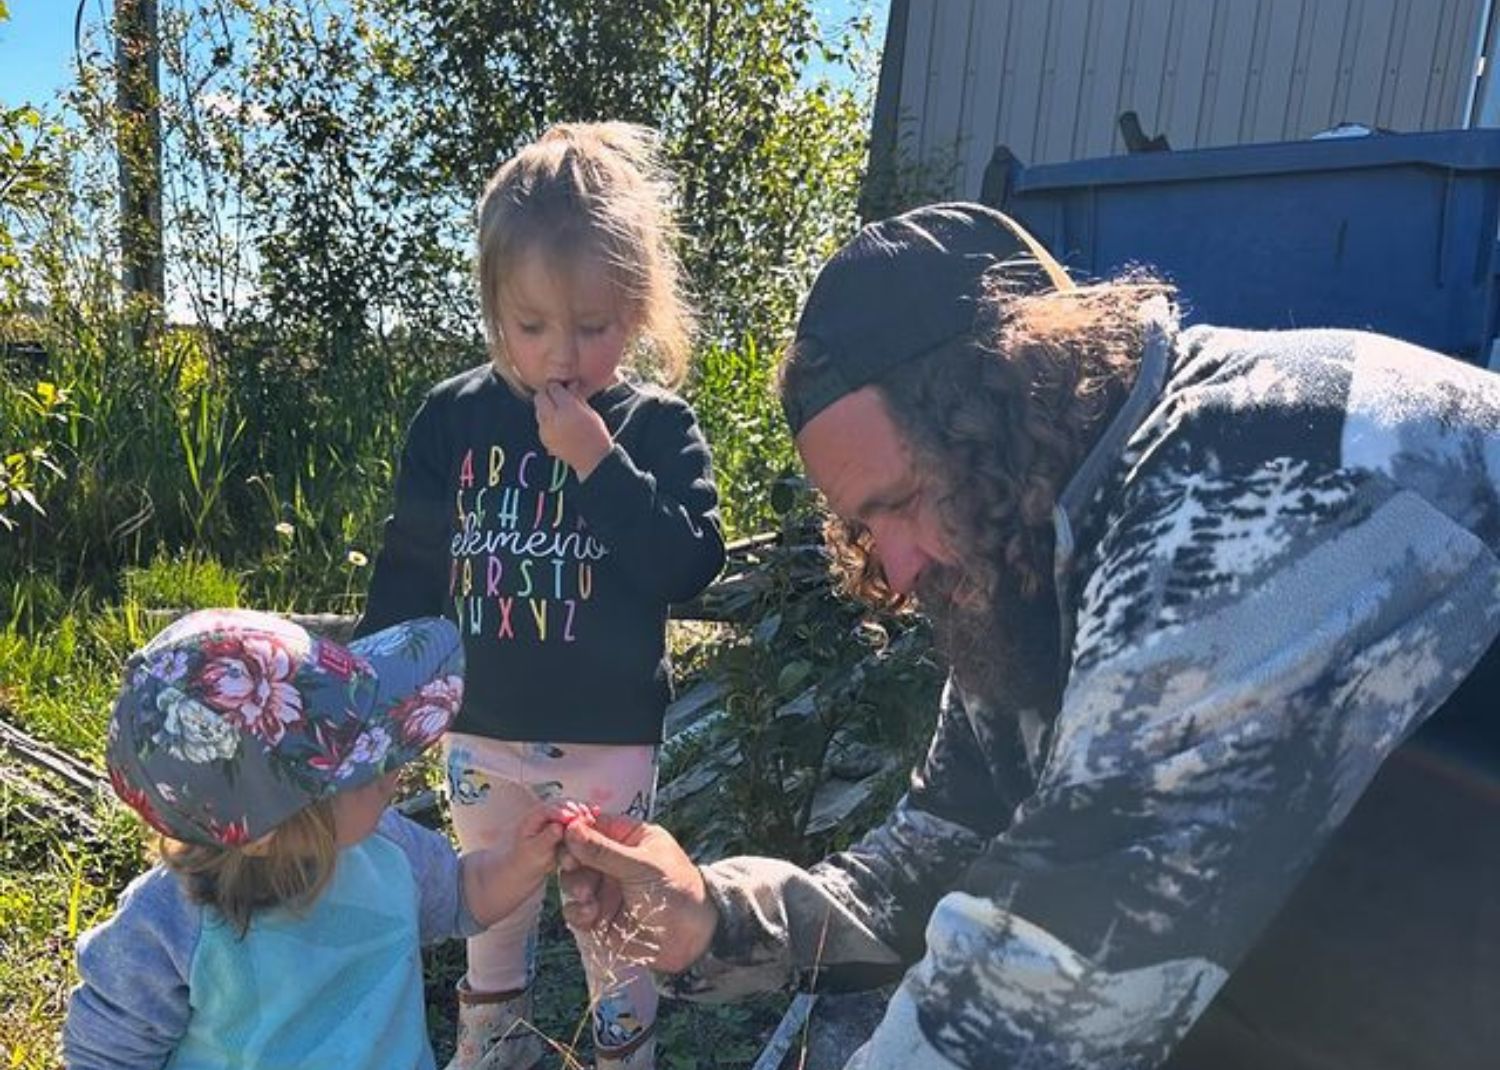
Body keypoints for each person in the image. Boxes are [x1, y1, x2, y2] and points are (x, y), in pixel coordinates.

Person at [557, 202, 1500, 1069]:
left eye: (901, 504)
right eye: (863, 525)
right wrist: (711, 921)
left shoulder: (1245, 477)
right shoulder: (1025, 542)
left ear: (1006, 406)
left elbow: (1056, 974)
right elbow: (945, 844)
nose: (892, 570)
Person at [357, 121, 725, 1070]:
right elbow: (409, 570)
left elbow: (687, 566)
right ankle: (495, 1050)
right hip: (483, 728)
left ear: (639, 312)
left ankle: (623, 1055)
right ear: (493, 311)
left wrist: (600, 466)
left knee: (615, 925)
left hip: (608, 738)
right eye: (533, 327)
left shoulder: (655, 428)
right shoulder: (454, 418)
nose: (563, 355)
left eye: (594, 327)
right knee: (492, 905)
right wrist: (367, 697)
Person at [63, 608, 590, 1070]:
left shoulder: (388, 849)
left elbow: (462, 896)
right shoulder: (168, 921)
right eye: (368, 765)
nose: (396, 768)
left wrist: (521, 860)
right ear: (274, 828)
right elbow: (107, 1051)